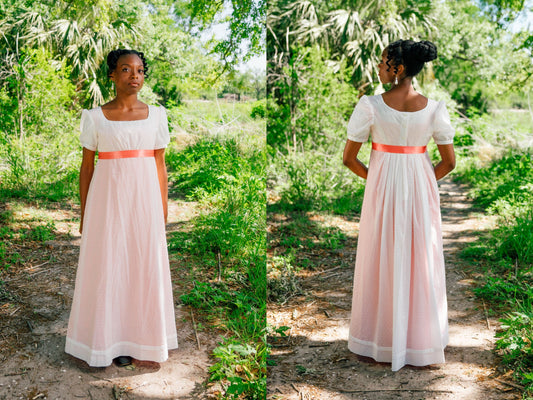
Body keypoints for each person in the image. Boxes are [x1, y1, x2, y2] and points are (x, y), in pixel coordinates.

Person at [343, 39, 456, 371]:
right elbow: (448, 162)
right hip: (422, 190)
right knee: (420, 259)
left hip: (381, 191)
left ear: (398, 68)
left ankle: (377, 341)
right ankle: (420, 342)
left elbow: (349, 158)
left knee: (381, 256)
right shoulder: (435, 108)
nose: (378, 68)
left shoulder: (370, 106)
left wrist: (379, 179)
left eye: (382, 62)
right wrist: (420, 182)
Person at [65, 49, 178, 367]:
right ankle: (105, 342)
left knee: (142, 265)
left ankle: (144, 343)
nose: (134, 76)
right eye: (126, 69)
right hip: (107, 203)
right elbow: (87, 169)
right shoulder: (94, 117)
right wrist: (85, 213)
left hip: (145, 203)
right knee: (109, 266)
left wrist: (163, 208)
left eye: (140, 70)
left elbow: (159, 165)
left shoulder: (157, 115)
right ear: (112, 75)